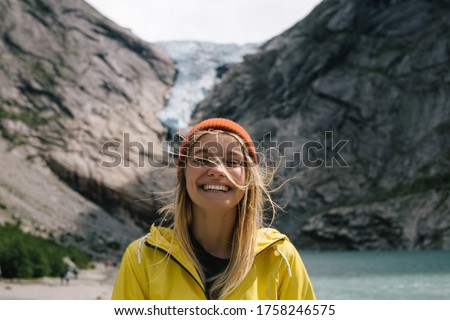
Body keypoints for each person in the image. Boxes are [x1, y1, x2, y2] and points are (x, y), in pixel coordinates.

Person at [112, 118, 315, 300]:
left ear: (249, 178)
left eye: (232, 161)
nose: (217, 170)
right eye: (202, 159)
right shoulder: (141, 258)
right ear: (183, 175)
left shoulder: (280, 258)